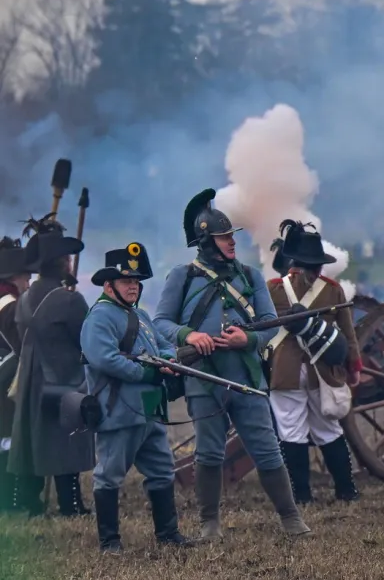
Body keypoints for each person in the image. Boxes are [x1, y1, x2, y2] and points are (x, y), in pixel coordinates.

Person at [153, 189, 310, 540]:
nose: (231, 243)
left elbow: (269, 324)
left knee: (267, 448)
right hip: (202, 378)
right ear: (207, 241)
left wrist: (248, 340)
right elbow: (160, 323)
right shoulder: (182, 276)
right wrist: (189, 336)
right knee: (208, 452)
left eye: (230, 237)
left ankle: (291, 519)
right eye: (224, 238)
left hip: (247, 375)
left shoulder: (251, 277)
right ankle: (209, 524)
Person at [80, 242, 193, 552]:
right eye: (127, 281)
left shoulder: (140, 314)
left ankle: (168, 535)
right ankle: (110, 542)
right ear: (108, 285)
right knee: (109, 476)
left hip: (149, 408)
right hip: (118, 410)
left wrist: (168, 361)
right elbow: (104, 359)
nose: (133, 287)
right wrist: (146, 372)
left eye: (136, 282)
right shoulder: (99, 317)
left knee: (161, 469)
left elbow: (161, 345)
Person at [266, 220, 362, 504]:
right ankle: (346, 490)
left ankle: (302, 496)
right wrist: (354, 368)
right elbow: (349, 335)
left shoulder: (273, 290)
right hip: (323, 369)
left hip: (285, 371)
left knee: (291, 432)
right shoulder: (333, 290)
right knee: (329, 430)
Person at [7, 214, 94, 517]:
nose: (71, 260)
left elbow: (21, 342)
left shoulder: (25, 298)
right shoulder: (71, 301)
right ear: (60, 262)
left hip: (31, 379)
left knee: (33, 439)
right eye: (67, 256)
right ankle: (71, 505)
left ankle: (27, 503)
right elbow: (84, 341)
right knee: (65, 442)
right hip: (62, 380)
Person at [0, 236, 30, 513]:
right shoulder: (9, 304)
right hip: (5, 381)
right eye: (25, 275)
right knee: (7, 440)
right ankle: (9, 503)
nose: (28, 280)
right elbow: (22, 346)